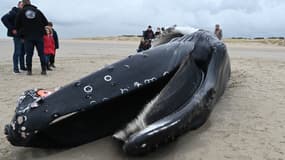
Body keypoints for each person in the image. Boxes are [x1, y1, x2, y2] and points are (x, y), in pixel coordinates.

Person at [15, 0, 49, 75]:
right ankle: (44, 70)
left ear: (23, 3)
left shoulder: (21, 12)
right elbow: (45, 22)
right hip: (39, 36)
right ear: (30, 3)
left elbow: (17, 25)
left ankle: (29, 71)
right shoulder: (38, 11)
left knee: (29, 54)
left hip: (28, 37)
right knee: (41, 54)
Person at [1, 1, 26, 73]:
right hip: (17, 35)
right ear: (18, 5)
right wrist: (12, 28)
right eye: (21, 5)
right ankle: (15, 68)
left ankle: (22, 67)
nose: (23, 6)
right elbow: (3, 18)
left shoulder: (24, 13)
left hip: (23, 35)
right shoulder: (14, 12)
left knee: (23, 52)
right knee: (17, 52)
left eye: (24, 5)